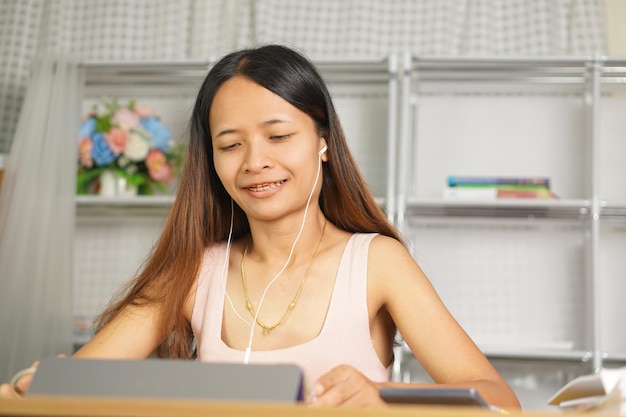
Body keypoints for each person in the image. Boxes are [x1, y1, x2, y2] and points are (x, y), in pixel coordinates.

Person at [0, 44, 520, 409]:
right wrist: (34, 384)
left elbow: (498, 398)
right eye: (230, 145)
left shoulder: (377, 262)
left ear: (321, 141)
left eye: (278, 135)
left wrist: (384, 397)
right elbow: (79, 380)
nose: (255, 162)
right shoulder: (195, 269)